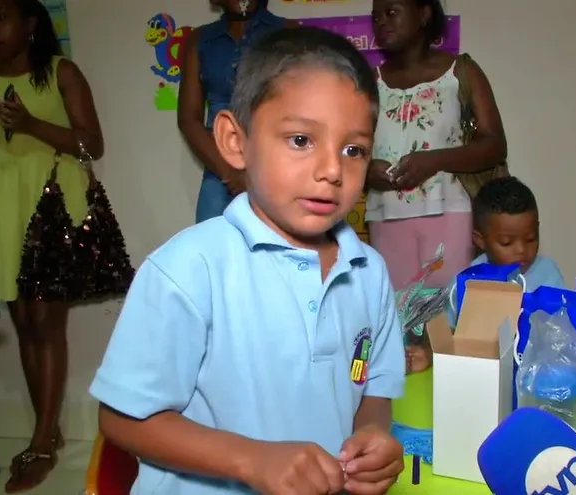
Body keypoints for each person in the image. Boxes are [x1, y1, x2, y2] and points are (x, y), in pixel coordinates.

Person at [90, 27, 406, 494]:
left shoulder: (369, 272)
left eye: (353, 149)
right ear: (235, 142)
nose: (332, 170)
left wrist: (373, 434)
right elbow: (121, 419)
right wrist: (252, 460)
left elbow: (372, 383)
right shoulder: (188, 270)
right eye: (301, 140)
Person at [0, 0, 104, 491]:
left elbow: (91, 144)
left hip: (54, 200)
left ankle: (40, 443)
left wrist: (31, 123)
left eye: (1, 16)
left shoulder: (61, 72)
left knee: (45, 319)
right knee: (23, 322)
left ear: (29, 23)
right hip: (2, 203)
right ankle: (50, 431)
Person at [365, 0, 507, 290]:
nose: (381, 21)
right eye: (376, 16)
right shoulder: (369, 82)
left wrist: (434, 160)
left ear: (423, 13)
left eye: (391, 12)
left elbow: (495, 145)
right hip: (386, 214)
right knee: (396, 315)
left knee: (452, 312)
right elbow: (347, 148)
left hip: (450, 212)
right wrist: (367, 170)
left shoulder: (459, 73)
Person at [404, 177, 564, 372]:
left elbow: (561, 335)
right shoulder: (469, 282)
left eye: (531, 238)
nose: (521, 250)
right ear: (480, 240)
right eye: (506, 242)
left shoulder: (548, 274)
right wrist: (429, 354)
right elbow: (444, 333)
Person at [179, 0, 298, 223]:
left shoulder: (290, 32)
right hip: (219, 173)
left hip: (276, 169)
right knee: (213, 250)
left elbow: (300, 109)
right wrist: (231, 175)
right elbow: (188, 120)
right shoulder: (200, 40)